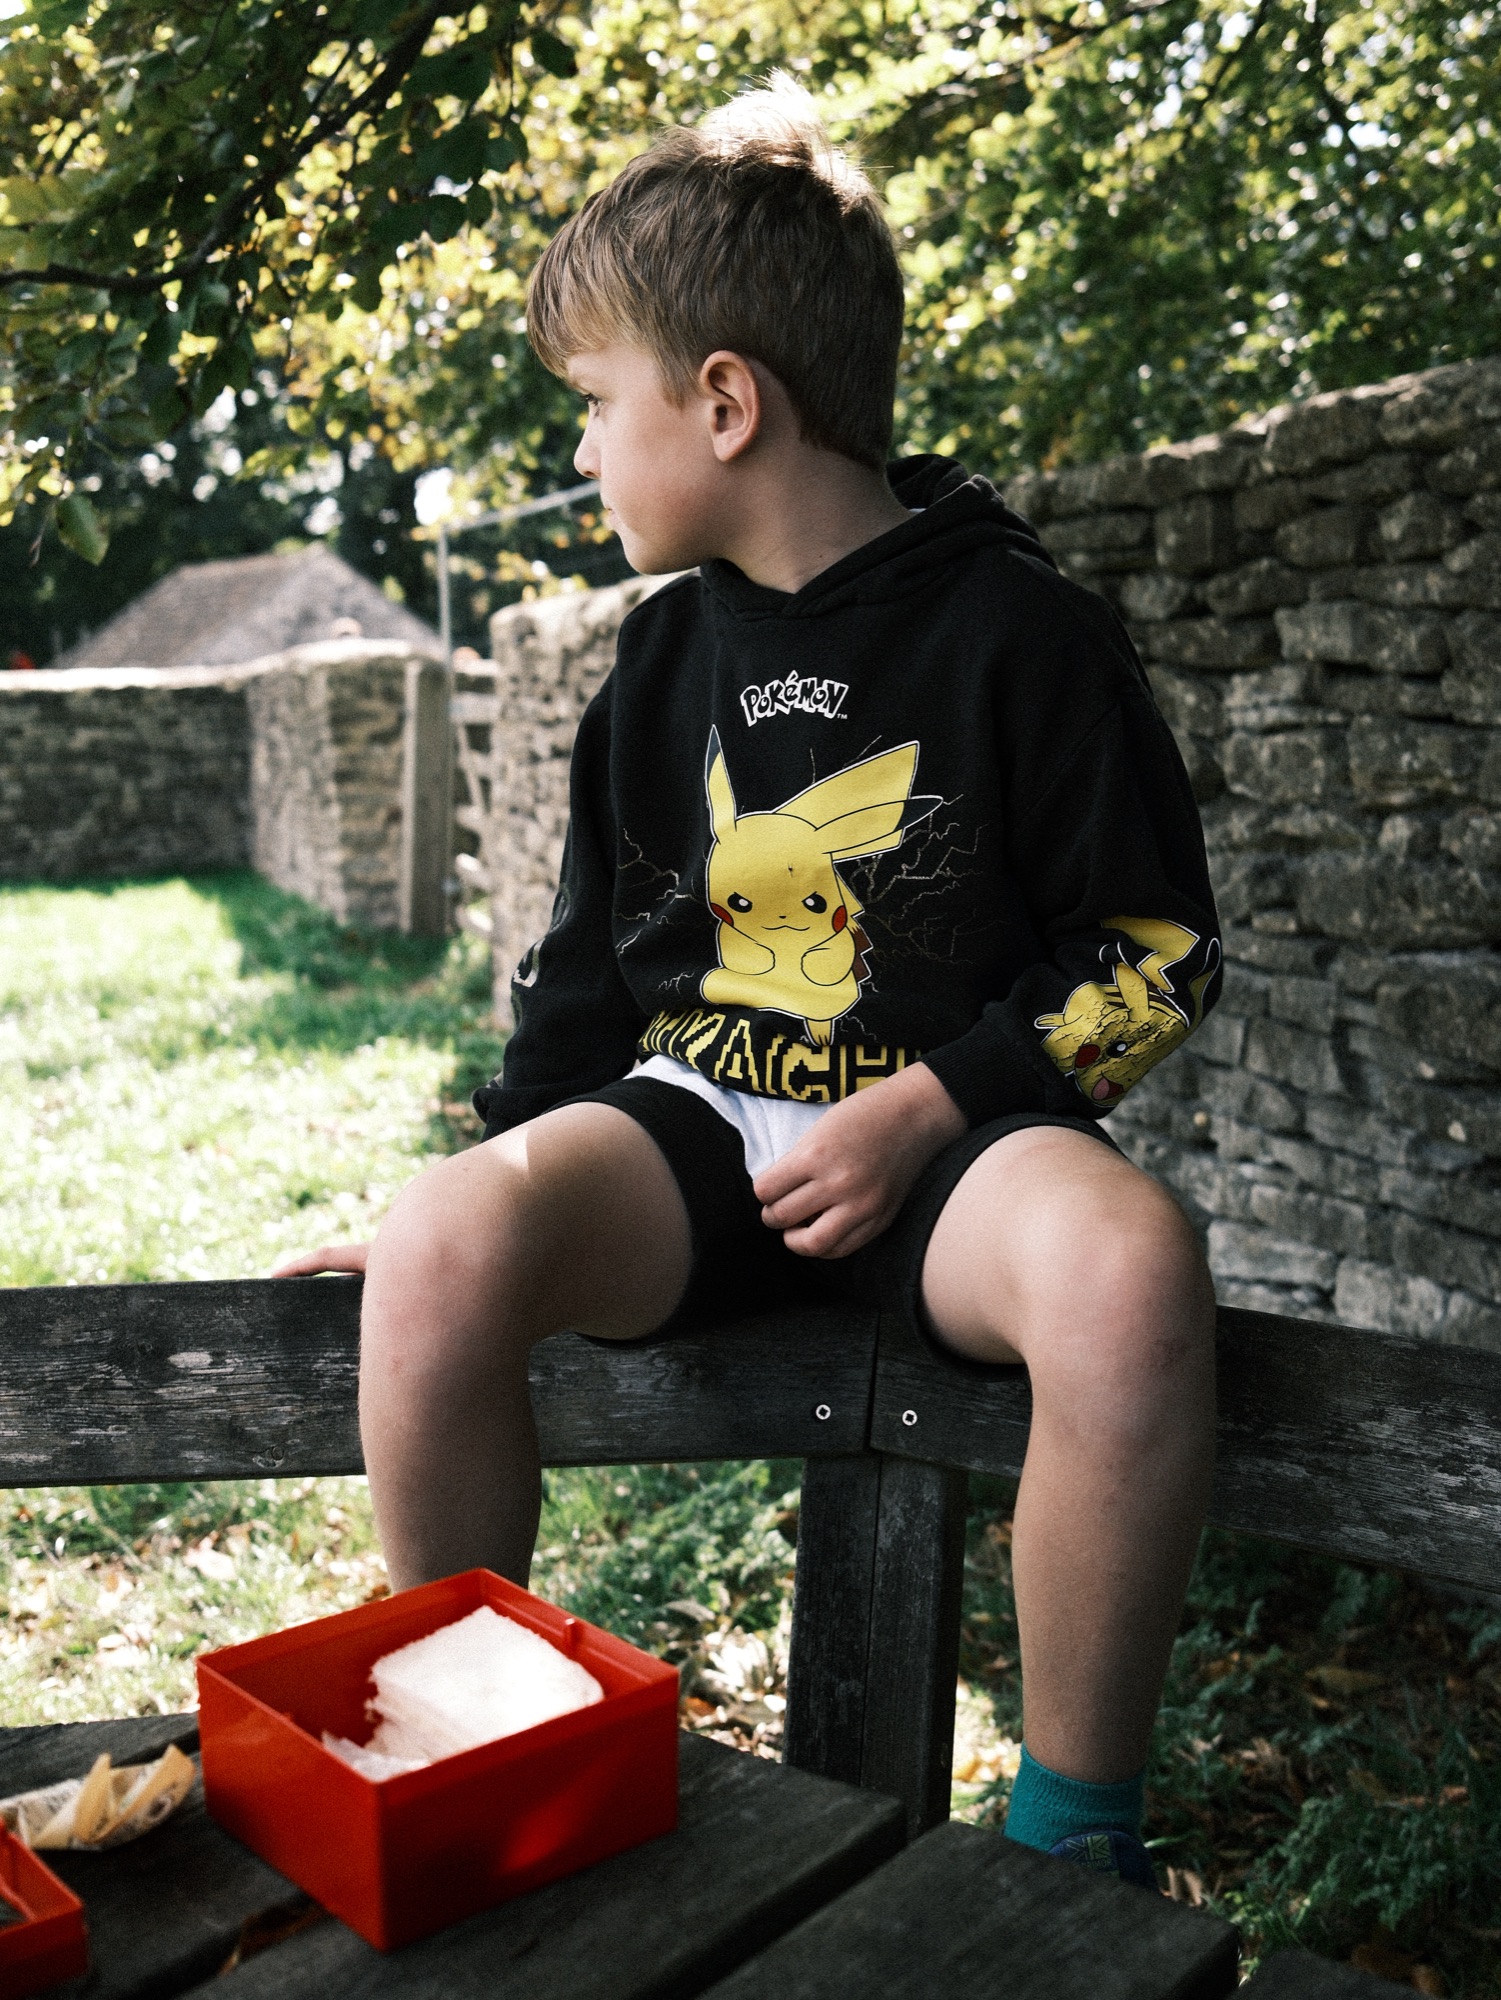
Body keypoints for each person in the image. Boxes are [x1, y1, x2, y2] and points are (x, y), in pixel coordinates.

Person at [277, 77, 1222, 1890]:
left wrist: (933, 1103)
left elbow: (1157, 957)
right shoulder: (656, 667)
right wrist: (473, 1201)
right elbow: (581, 985)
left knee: (1128, 1269)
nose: (580, 456)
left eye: (592, 405)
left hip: (957, 1150)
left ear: (723, 403)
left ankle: (1070, 1845)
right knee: (447, 1236)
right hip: (703, 1127)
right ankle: (468, 1757)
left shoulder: (1019, 634)